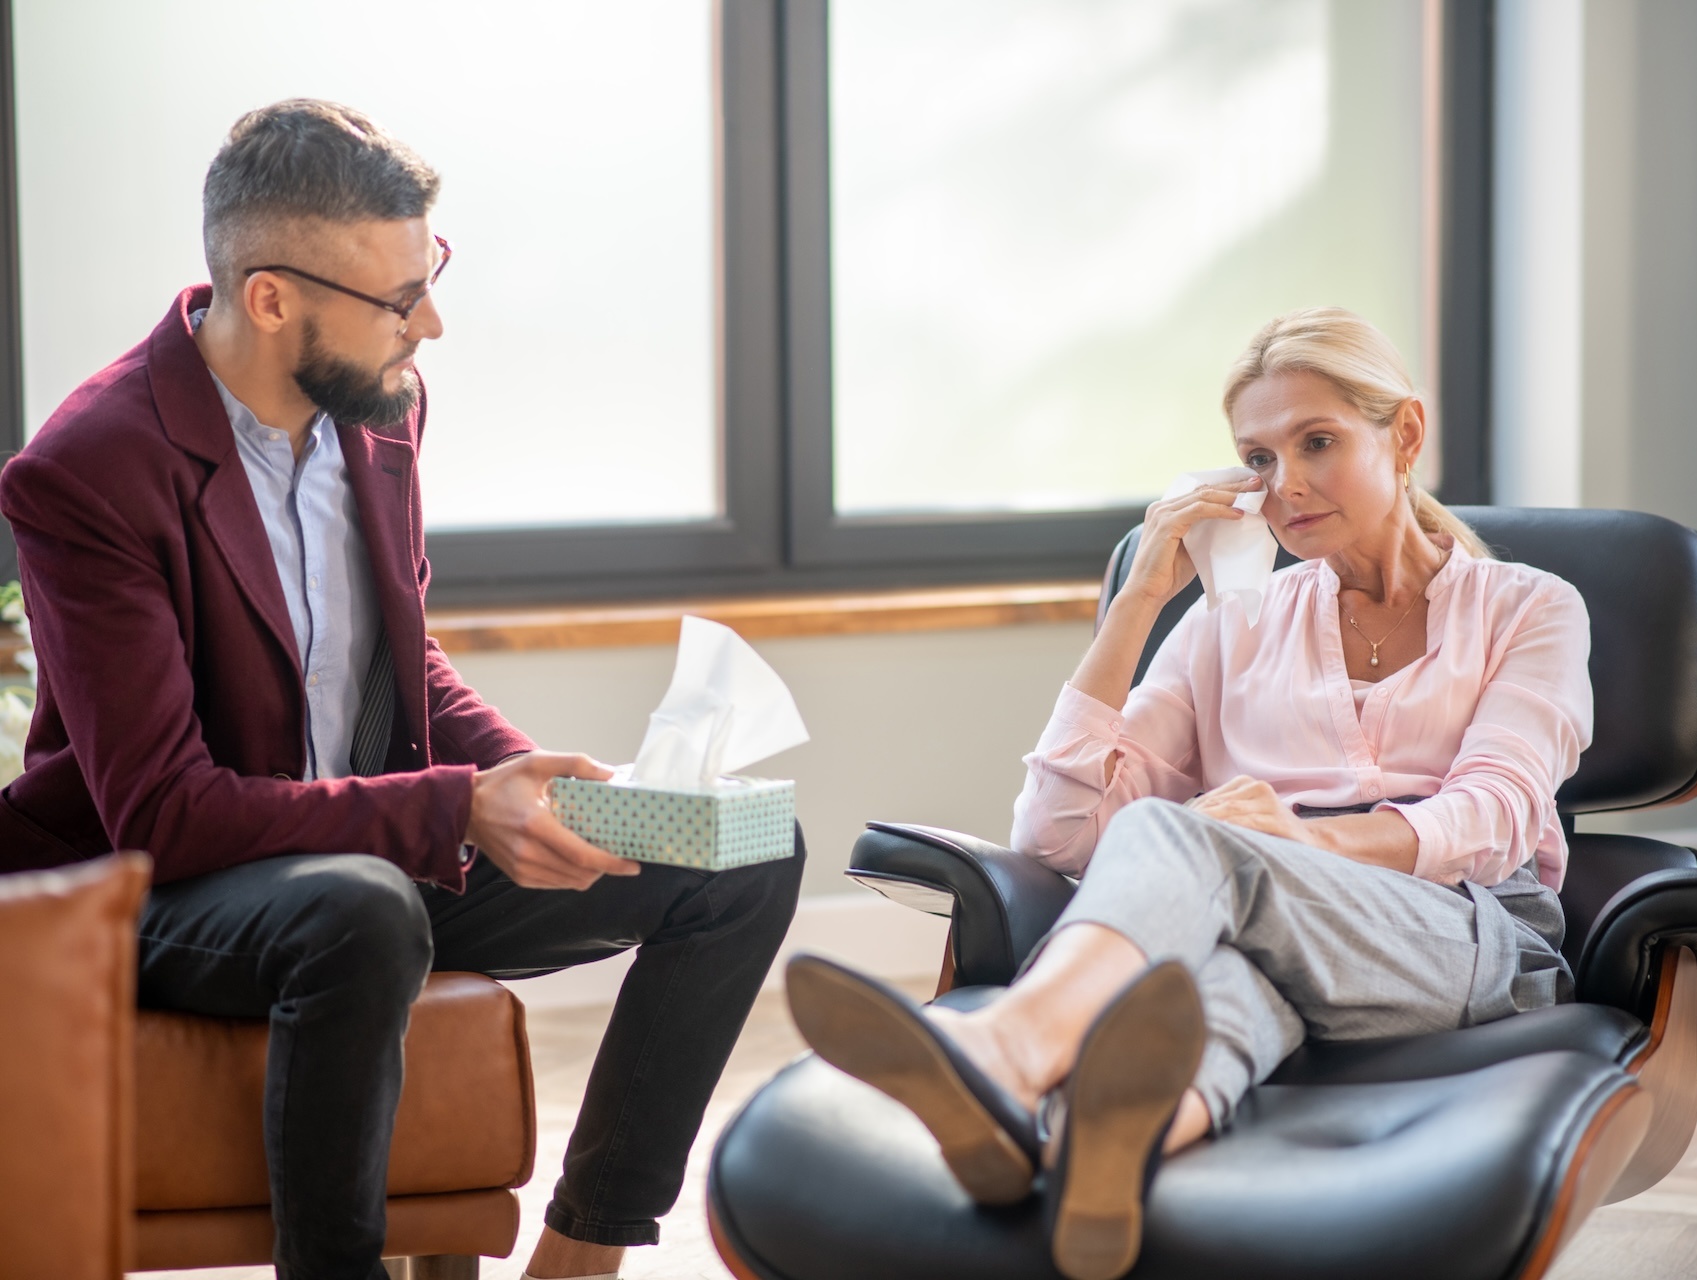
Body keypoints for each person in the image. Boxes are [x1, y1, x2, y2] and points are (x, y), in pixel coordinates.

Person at [0, 100, 802, 1280]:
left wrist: (538, 790)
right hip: (164, 891)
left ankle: (581, 1255)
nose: (431, 321)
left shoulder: (380, 412)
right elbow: (165, 812)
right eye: (397, 298)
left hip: (366, 848)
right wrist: (458, 808)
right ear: (271, 297)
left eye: (431, 276)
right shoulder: (89, 470)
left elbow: (398, 660)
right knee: (364, 905)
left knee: (746, 853)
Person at [785, 307, 1592, 1280]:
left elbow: (1493, 815)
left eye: (1318, 441)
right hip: (1277, 930)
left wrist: (1288, 841)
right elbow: (1057, 834)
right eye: (1257, 457)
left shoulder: (1530, 607)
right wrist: (1138, 603)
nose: (1283, 485)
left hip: (1468, 936)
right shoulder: (1229, 624)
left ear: (1406, 434)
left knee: (1193, 840)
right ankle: (1091, 1160)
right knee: (1200, 998)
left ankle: (1004, 1051)